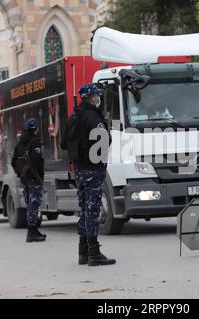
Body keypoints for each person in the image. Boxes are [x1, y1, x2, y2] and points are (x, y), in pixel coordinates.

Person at [74, 84, 115, 267]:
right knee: (92, 210)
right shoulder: (92, 117)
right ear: (91, 98)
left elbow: (65, 143)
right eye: (97, 96)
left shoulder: (75, 117)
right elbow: (105, 140)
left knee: (85, 210)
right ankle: (94, 253)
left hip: (80, 170)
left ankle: (83, 252)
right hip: (93, 168)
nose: (99, 99)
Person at [12, 117, 46, 243]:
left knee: (29, 204)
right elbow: (37, 160)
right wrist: (36, 173)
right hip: (34, 177)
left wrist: (20, 172)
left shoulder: (19, 144)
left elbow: (13, 161)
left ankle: (34, 230)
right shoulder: (35, 142)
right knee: (34, 204)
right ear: (36, 128)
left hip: (25, 178)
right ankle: (31, 232)